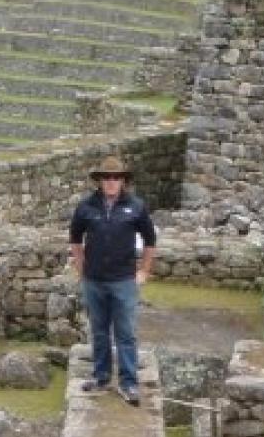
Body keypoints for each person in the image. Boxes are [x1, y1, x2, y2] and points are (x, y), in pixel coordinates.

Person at [68, 155, 157, 406]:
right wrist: (80, 266)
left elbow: (150, 241)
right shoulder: (86, 206)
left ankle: (129, 383)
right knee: (98, 331)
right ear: (99, 180)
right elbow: (75, 238)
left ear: (123, 181)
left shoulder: (136, 207)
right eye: (106, 177)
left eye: (115, 177)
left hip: (123, 281)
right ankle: (101, 377)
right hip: (94, 281)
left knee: (126, 333)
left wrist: (144, 271)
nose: (111, 181)